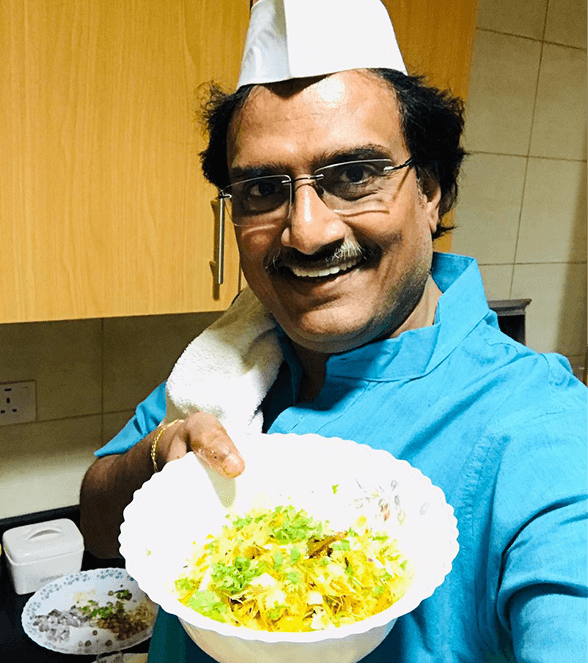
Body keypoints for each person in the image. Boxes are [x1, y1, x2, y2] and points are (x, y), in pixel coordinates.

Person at [79, 1, 587, 661]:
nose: (308, 230)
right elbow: (96, 522)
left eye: (354, 176)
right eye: (262, 188)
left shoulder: (542, 429)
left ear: (430, 190)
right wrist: (155, 459)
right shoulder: (233, 358)